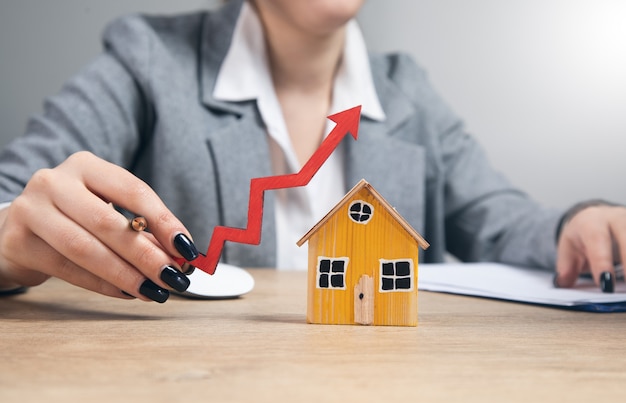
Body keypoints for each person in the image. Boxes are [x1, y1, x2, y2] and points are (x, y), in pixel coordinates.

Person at [0, 0, 623, 303]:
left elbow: (502, 218)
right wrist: (8, 243)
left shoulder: (408, 89)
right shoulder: (146, 59)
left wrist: (582, 222)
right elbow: (14, 200)